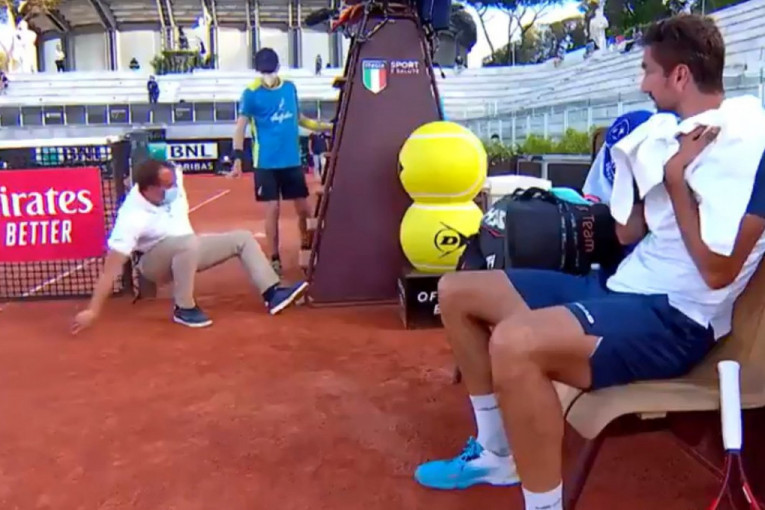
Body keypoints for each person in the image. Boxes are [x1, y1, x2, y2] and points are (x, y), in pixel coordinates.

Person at [413, 14, 765, 510]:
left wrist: (676, 180)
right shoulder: (673, 137)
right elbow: (627, 233)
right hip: (624, 290)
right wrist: (643, 168)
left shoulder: (750, 151)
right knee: (456, 291)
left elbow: (716, 272)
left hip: (675, 319)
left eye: (648, 71)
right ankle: (496, 454)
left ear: (680, 75)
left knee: (515, 343)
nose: (642, 84)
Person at [71, 159, 308, 334]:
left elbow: (170, 173)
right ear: (148, 189)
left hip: (188, 249)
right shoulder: (132, 216)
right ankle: (184, 308)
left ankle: (272, 293)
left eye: (174, 182)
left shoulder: (172, 177)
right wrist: (93, 310)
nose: (174, 188)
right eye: (167, 185)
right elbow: (111, 269)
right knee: (187, 244)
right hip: (154, 264)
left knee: (242, 238)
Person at [229, 47, 332, 275]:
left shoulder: (289, 88)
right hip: (265, 162)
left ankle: (307, 245)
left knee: (303, 208)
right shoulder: (250, 93)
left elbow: (299, 118)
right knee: (272, 209)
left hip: (291, 160)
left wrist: (325, 126)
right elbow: (240, 127)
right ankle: (274, 257)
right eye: (264, 69)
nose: (267, 73)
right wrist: (237, 157)